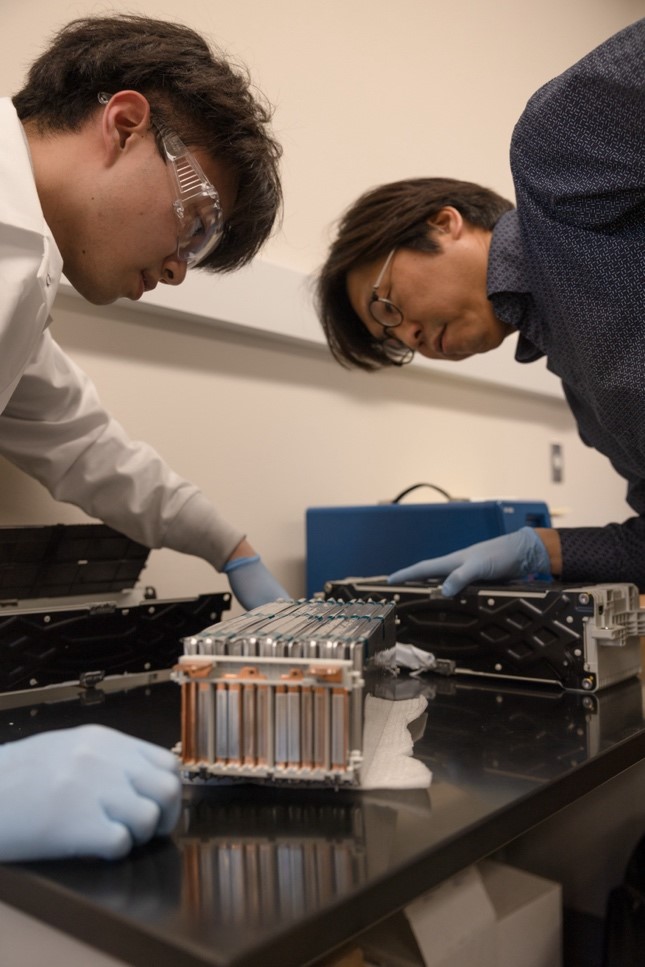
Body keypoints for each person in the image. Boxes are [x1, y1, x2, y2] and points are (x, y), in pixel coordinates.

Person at [0, 14, 288, 861]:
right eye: (196, 224)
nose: (175, 270)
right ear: (125, 125)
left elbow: (84, 442)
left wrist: (229, 545)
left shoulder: (23, 271)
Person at [315, 18, 645, 598]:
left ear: (444, 224)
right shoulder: (586, 399)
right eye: (394, 340)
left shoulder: (556, 161)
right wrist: (538, 547)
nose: (410, 335)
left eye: (387, 306)